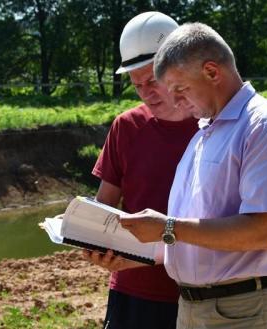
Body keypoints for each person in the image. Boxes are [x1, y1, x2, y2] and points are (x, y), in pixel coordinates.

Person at [119, 23, 267, 328]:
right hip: (196, 309)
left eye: (180, 90)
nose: (177, 102)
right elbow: (195, 233)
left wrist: (167, 226)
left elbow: (264, 230)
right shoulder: (203, 135)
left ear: (211, 72)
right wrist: (133, 255)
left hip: (247, 311)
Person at [82, 12, 199, 329]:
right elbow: (105, 201)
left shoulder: (211, 126)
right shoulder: (126, 126)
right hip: (134, 293)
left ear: (179, 67)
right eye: (136, 85)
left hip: (197, 292)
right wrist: (92, 237)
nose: (146, 92)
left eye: (152, 81)